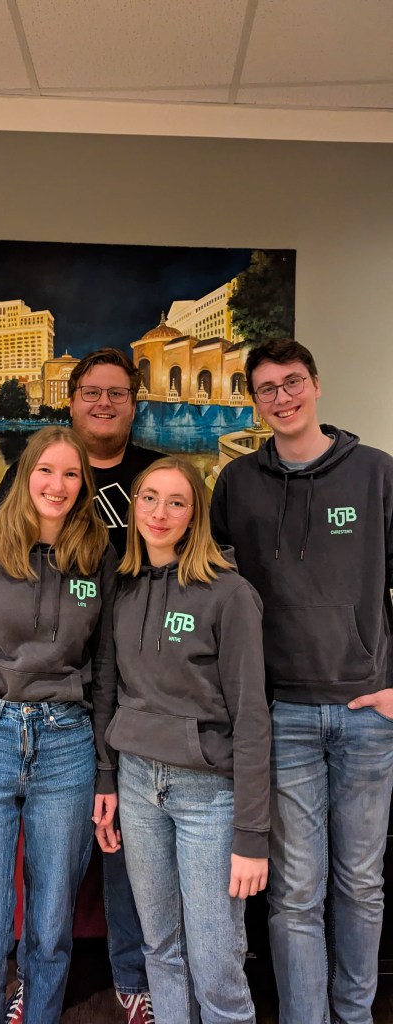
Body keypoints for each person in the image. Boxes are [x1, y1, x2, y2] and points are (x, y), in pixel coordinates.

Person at [210, 338, 393, 1024]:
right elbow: (213, 588)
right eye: (267, 389)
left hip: (367, 710)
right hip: (280, 711)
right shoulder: (236, 483)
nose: (282, 398)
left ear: (315, 385)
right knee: (294, 894)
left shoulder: (376, 473)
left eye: (292, 383)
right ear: (254, 402)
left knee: (362, 885)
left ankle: (355, 1015)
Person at [0, 425, 118, 1024]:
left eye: (71, 474)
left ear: (83, 484)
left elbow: (106, 671)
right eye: (46, 471)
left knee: (51, 928)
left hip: (67, 745)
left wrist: (106, 775)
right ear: (26, 475)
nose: (57, 485)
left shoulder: (98, 556)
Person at [0, 349, 163, 1024]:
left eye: (117, 393)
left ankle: (133, 976)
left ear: (134, 403)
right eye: (91, 391)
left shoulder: (157, 474)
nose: (103, 403)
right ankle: (32, 982)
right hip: (59, 689)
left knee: (128, 838)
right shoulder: (31, 473)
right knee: (48, 859)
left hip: (145, 680)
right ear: (71, 400)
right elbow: (1, 568)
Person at [97, 456, 270, 1024]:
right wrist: (108, 779)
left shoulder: (229, 593)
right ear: (133, 507)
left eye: (177, 502)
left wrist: (252, 834)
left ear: (195, 515)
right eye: (149, 498)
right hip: (138, 784)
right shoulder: (122, 589)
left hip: (208, 795)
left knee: (217, 962)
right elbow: (109, 691)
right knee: (160, 948)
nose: (160, 513)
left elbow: (252, 717)